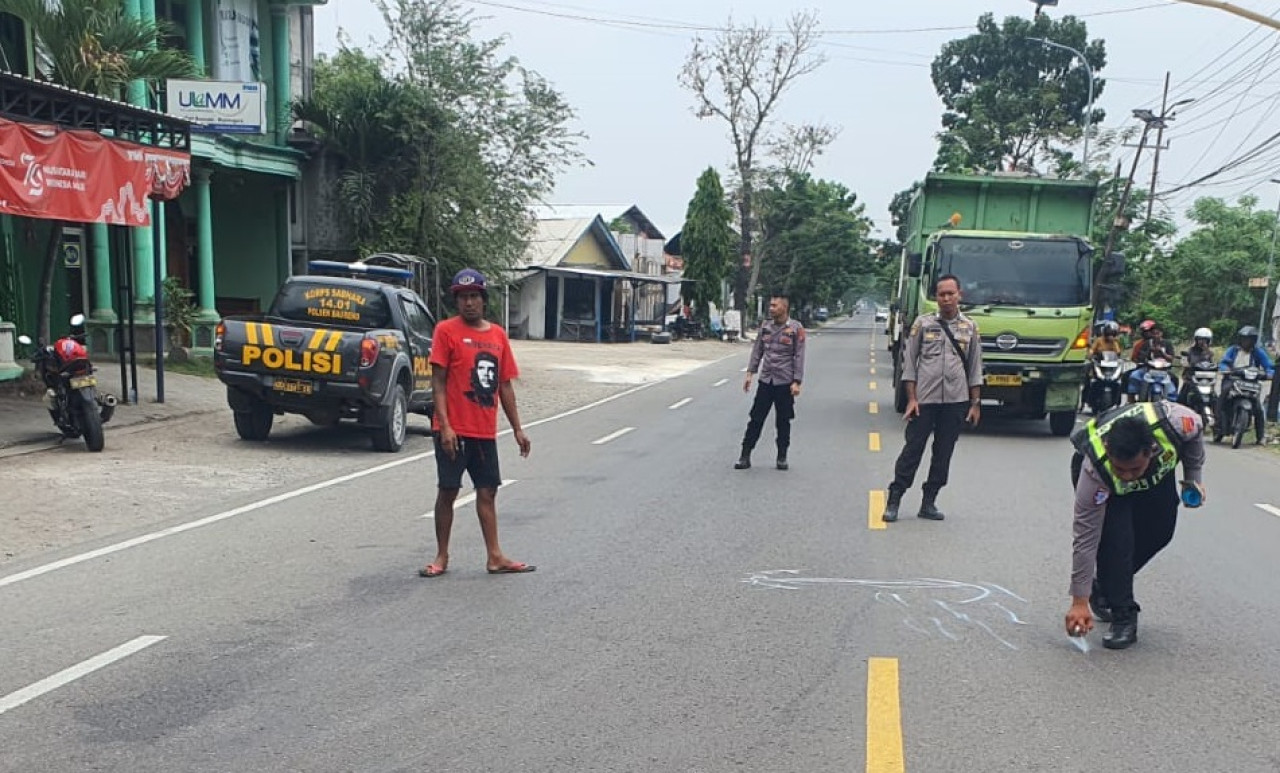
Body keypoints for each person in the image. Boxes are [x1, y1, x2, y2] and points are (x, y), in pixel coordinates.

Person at [419, 268, 535, 578]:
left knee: (488, 491)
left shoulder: (497, 335)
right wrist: (444, 425)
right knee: (448, 490)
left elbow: (505, 385)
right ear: (456, 300)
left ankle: (495, 556)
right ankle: (441, 556)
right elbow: (438, 383)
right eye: (462, 297)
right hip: (453, 430)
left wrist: (517, 429)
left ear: (483, 300)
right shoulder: (445, 331)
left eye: (474, 297)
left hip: (484, 430)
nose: (468, 303)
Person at [1064, 401, 1206, 650]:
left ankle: (1106, 584)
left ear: (1151, 450)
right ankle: (1123, 615)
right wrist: (1079, 600)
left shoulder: (1177, 423)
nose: (1127, 476)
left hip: (1156, 474)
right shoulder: (1094, 470)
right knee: (1117, 543)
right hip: (1107, 488)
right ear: (1107, 449)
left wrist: (1193, 477)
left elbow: (1195, 433)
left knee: (1161, 531)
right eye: (1121, 469)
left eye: (1134, 469)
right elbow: (1086, 539)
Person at [882, 274, 983, 522]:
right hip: (924, 401)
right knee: (912, 450)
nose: (946, 298)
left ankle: (929, 502)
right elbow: (909, 366)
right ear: (935, 297)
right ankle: (894, 498)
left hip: (955, 402)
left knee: (943, 453)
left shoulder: (969, 327)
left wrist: (975, 404)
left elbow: (975, 368)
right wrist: (912, 399)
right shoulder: (923, 324)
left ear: (960, 295)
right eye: (941, 294)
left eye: (951, 293)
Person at [734, 294, 806, 471]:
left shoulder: (796, 329)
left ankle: (782, 456)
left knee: (783, 421)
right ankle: (745, 455)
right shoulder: (765, 327)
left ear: (784, 308)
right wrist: (750, 373)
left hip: (785, 382)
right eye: (770, 305)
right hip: (766, 380)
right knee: (755, 419)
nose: (771, 308)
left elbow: (799, 355)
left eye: (775, 306)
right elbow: (757, 350)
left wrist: (797, 381)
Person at [1216, 325, 1276, 444]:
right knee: (1223, 397)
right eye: (1243, 339)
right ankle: (1217, 424)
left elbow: (1269, 366)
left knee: (1258, 409)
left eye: (1248, 339)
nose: (1245, 342)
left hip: (1250, 383)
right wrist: (1225, 369)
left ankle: (1260, 437)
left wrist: (1269, 374)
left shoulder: (1258, 352)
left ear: (1253, 340)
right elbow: (1224, 363)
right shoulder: (1233, 350)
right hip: (1232, 380)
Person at [1127, 320, 1176, 402]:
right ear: (1151, 334)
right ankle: (1131, 399)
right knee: (1134, 375)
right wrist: (1149, 351)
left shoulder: (1167, 343)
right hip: (1148, 369)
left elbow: (1171, 358)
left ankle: (1172, 400)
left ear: (1161, 333)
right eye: (1154, 333)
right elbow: (1141, 356)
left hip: (1163, 371)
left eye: (1158, 333)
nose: (1156, 336)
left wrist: (1162, 353)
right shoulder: (1147, 343)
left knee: (1175, 379)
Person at [1177, 327, 1216, 405]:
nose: (1202, 342)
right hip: (1191, 378)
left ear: (1209, 341)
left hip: (1206, 379)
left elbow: (1212, 364)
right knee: (1182, 398)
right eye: (1200, 339)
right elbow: (1184, 362)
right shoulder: (1189, 351)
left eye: (1205, 340)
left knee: (1214, 398)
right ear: (1196, 340)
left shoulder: (1209, 353)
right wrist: (1187, 365)